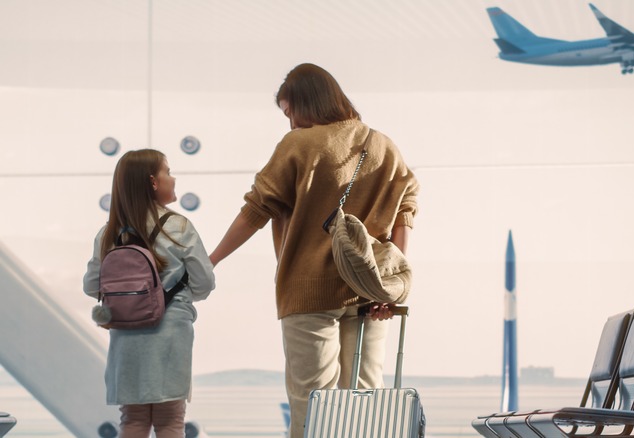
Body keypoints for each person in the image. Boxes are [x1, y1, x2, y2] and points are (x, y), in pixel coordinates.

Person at [209, 63, 419, 438]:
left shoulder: (299, 144)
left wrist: (212, 260)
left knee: (314, 404)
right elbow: (406, 210)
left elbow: (256, 209)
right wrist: (389, 284)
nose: (290, 124)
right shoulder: (383, 145)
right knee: (365, 401)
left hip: (308, 290)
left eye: (290, 112)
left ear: (307, 104)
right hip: (370, 291)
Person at [83, 149, 216, 437]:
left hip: (126, 336)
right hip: (170, 332)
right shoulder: (178, 226)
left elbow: (91, 286)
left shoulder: (109, 233)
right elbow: (204, 282)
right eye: (168, 171)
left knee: (132, 420)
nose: (173, 177)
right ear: (154, 182)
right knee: (170, 420)